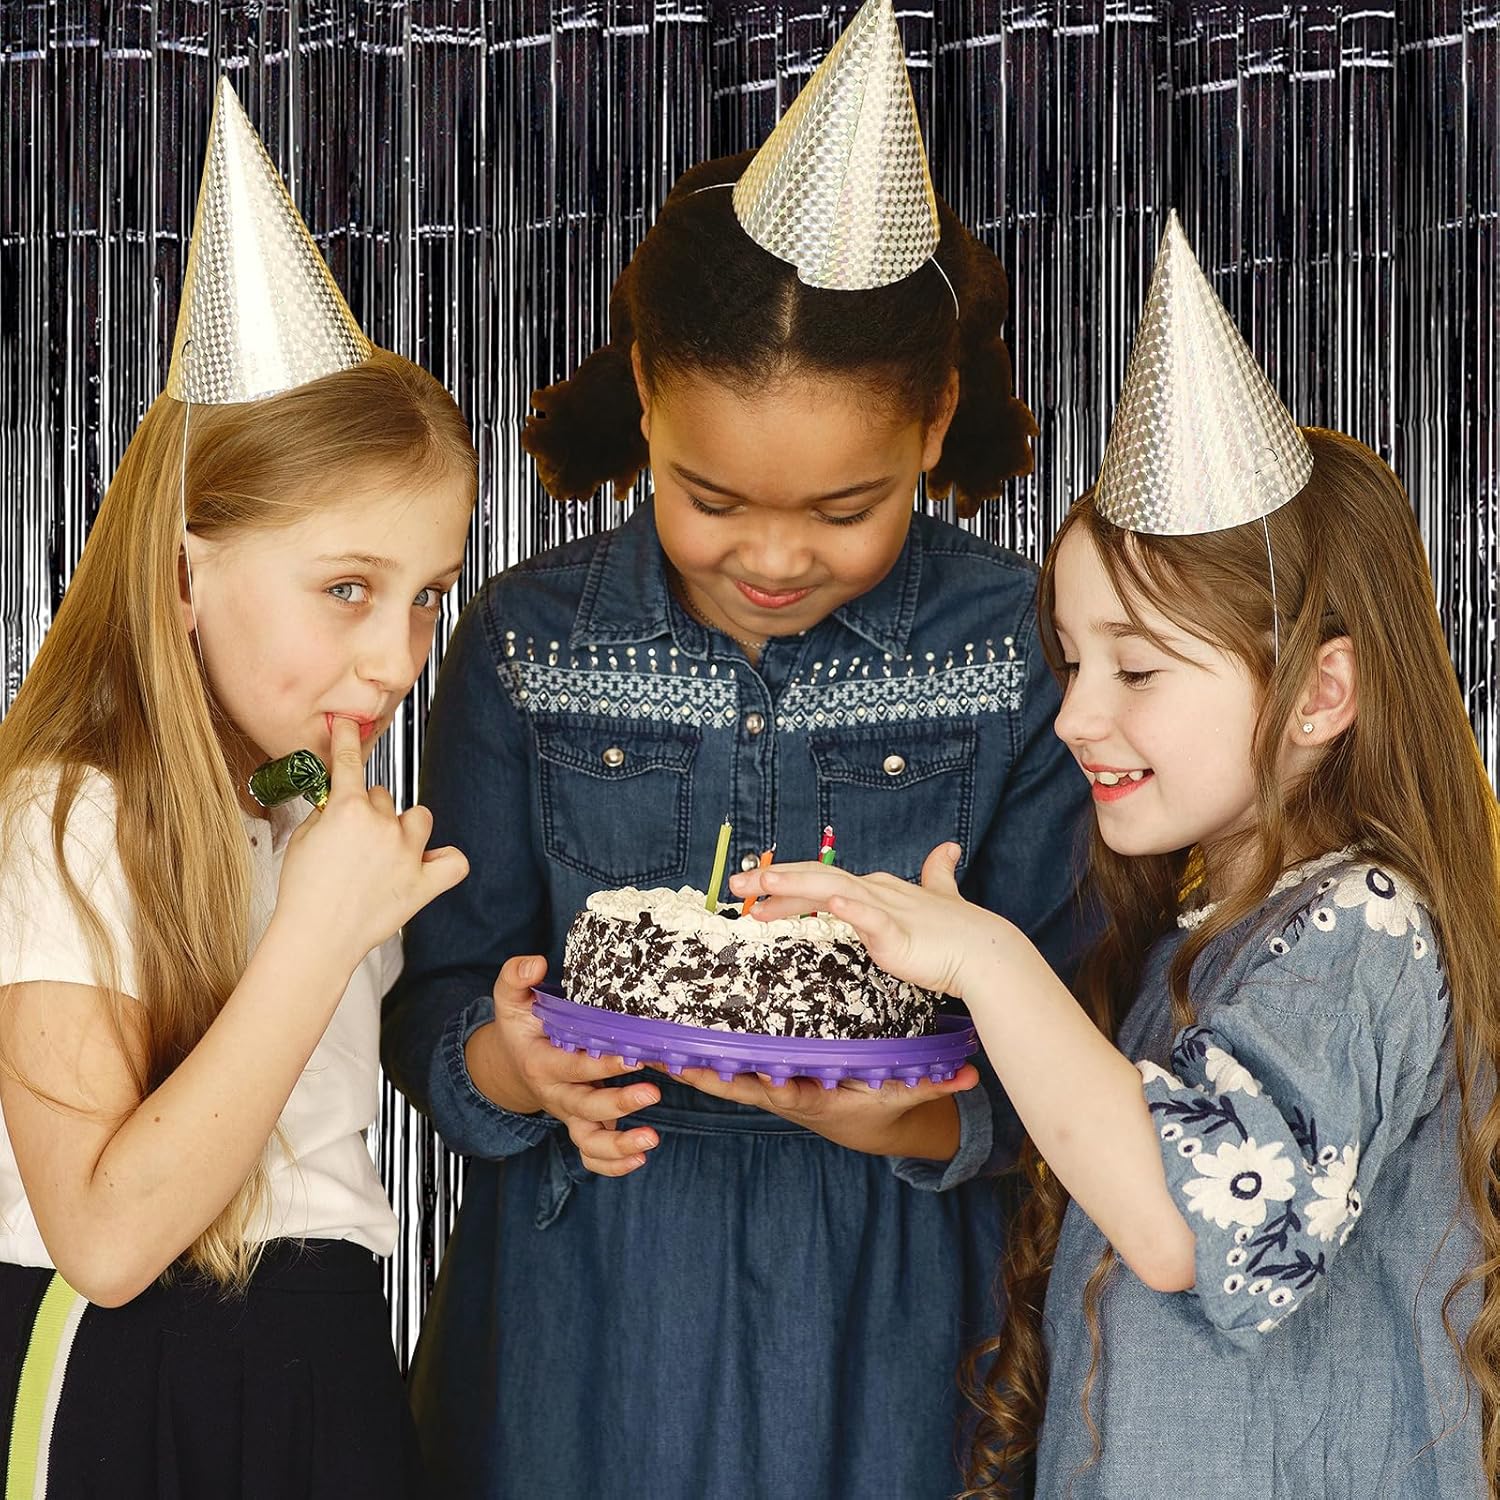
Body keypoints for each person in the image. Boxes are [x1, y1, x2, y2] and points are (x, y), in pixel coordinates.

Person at [381, 1, 1091, 1493]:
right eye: (711, 500)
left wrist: (925, 1117)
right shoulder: (524, 643)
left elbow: (1092, 1041)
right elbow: (431, 994)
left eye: (845, 510)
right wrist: (510, 1064)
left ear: (935, 420)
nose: (772, 558)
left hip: (900, 1313)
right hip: (592, 1308)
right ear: (646, 398)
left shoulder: (1021, 652)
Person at [731, 214, 1497, 1497]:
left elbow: (1191, 1230)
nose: (1077, 715)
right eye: (1073, 661)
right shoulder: (1207, 936)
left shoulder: (1363, 926)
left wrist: (987, 959)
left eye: (1136, 670)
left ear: (1320, 694)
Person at [0, 79, 473, 1497]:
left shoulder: (307, 819)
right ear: (186, 573)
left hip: (328, 1359)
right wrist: (318, 934)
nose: (398, 657)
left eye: (426, 596)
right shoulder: (69, 820)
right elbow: (105, 1239)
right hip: (125, 1381)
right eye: (347, 589)